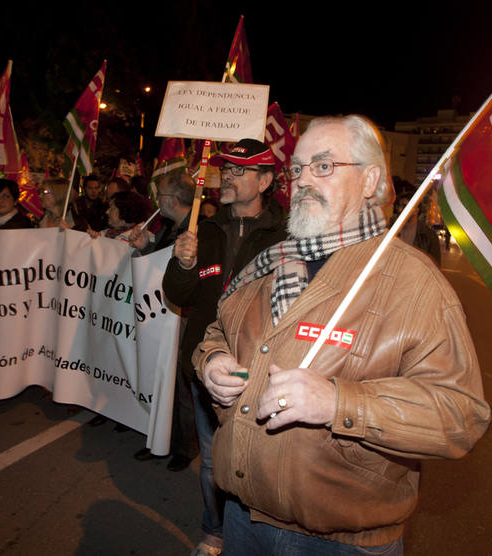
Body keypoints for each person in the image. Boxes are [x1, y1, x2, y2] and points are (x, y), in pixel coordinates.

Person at [194, 115, 490, 555]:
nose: (304, 181)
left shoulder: (414, 282)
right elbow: (218, 329)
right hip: (243, 519)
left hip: (341, 544)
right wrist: (212, 361)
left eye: (324, 167)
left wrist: (338, 402)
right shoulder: (272, 261)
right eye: (297, 169)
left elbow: (460, 415)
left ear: (370, 180)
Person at [162, 139, 288, 556]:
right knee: (215, 461)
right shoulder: (203, 229)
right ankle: (214, 530)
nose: (227, 177)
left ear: (266, 180)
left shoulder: (289, 234)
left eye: (239, 170)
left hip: (263, 370)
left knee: (261, 461)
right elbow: (179, 295)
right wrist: (182, 264)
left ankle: (259, 534)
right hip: (206, 367)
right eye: (226, 170)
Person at [129, 172, 199, 469]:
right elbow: (159, 270)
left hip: (184, 319)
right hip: (164, 313)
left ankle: (186, 447)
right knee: (163, 382)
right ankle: (162, 439)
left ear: (170, 200)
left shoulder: (196, 231)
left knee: (182, 388)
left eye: (160, 197)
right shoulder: (172, 228)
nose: (157, 202)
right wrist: (146, 246)